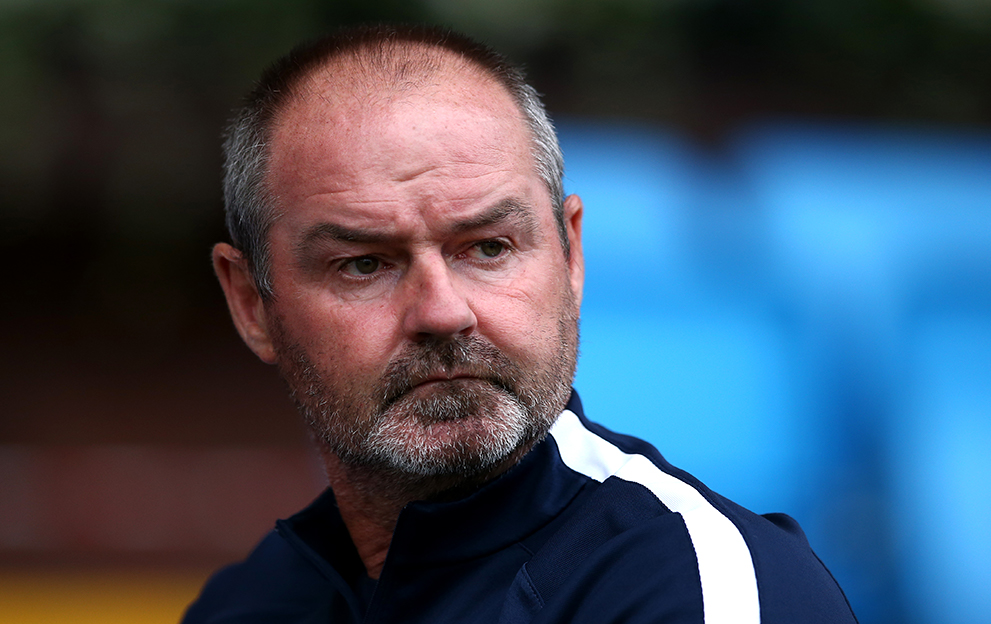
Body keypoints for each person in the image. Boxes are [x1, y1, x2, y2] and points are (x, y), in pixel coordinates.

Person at [183, 24, 858, 624]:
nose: (443, 312)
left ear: (570, 256)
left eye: (488, 248)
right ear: (251, 303)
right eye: (364, 264)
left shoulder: (695, 589)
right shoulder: (248, 605)